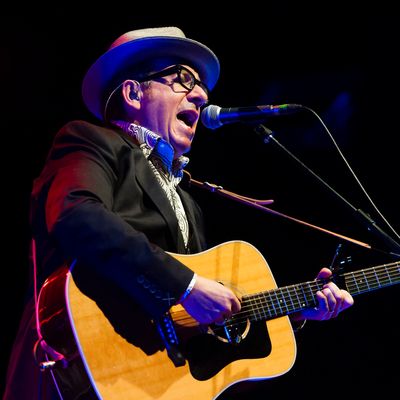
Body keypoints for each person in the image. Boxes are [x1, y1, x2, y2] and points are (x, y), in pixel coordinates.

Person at [3, 26, 354, 400]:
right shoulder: (92, 142)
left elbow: (202, 324)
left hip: (149, 386)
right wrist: (185, 285)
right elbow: (76, 215)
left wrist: (295, 311)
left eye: (201, 86)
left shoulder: (188, 202)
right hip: (74, 374)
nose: (201, 95)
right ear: (133, 93)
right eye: (183, 80)